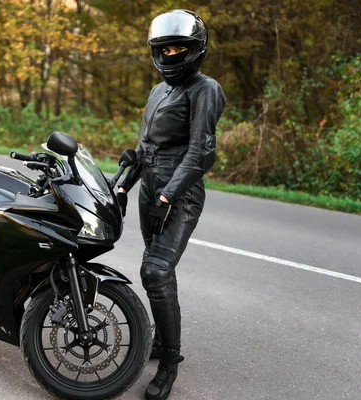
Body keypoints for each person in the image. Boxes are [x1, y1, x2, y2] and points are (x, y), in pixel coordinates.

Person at [116, 9, 226, 400]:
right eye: (165, 48)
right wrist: (123, 184)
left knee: (156, 270)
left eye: (180, 47)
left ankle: (168, 365)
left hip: (180, 195)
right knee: (158, 271)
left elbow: (200, 153)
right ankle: (162, 341)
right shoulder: (157, 91)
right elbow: (144, 148)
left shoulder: (205, 89)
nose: (172, 55)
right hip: (151, 189)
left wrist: (168, 195)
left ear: (196, 50)